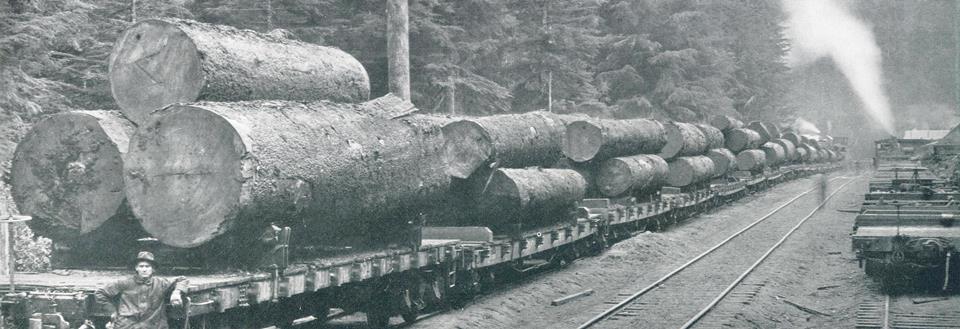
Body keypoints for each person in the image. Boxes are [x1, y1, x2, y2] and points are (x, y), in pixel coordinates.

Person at [95, 251, 188, 329]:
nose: (144, 269)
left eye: (147, 267)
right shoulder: (125, 283)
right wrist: (112, 312)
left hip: (152, 325)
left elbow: (182, 279)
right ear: (136, 268)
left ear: (153, 269)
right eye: (141, 266)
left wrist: (176, 292)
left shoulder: (161, 283)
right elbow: (100, 293)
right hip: (127, 326)